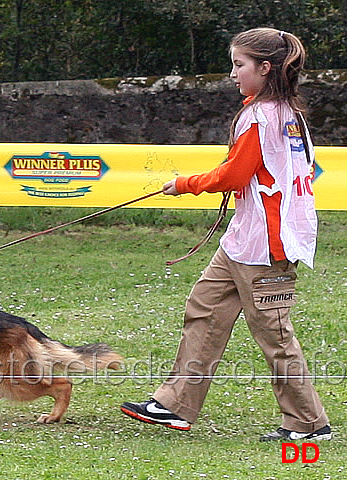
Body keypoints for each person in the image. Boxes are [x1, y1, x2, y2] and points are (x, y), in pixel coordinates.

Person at [121, 28, 331, 441]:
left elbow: (234, 174)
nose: (233, 74)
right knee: (205, 307)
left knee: (274, 333)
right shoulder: (286, 114)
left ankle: (309, 423)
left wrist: (184, 183)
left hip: (267, 245)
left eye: (239, 65)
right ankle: (175, 405)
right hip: (244, 239)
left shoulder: (260, 115)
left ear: (265, 68)